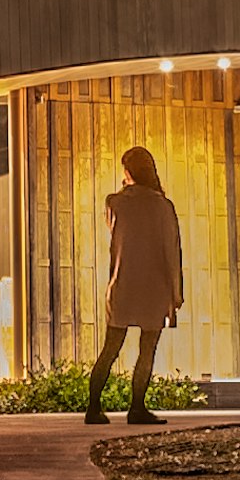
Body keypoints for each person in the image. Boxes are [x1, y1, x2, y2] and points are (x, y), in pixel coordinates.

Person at [80, 139, 188, 422]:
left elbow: (113, 223)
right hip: (155, 287)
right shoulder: (163, 206)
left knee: (110, 348)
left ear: (128, 172)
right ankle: (136, 407)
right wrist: (176, 293)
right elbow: (171, 251)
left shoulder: (115, 203)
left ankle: (93, 407)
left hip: (123, 285)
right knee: (146, 350)